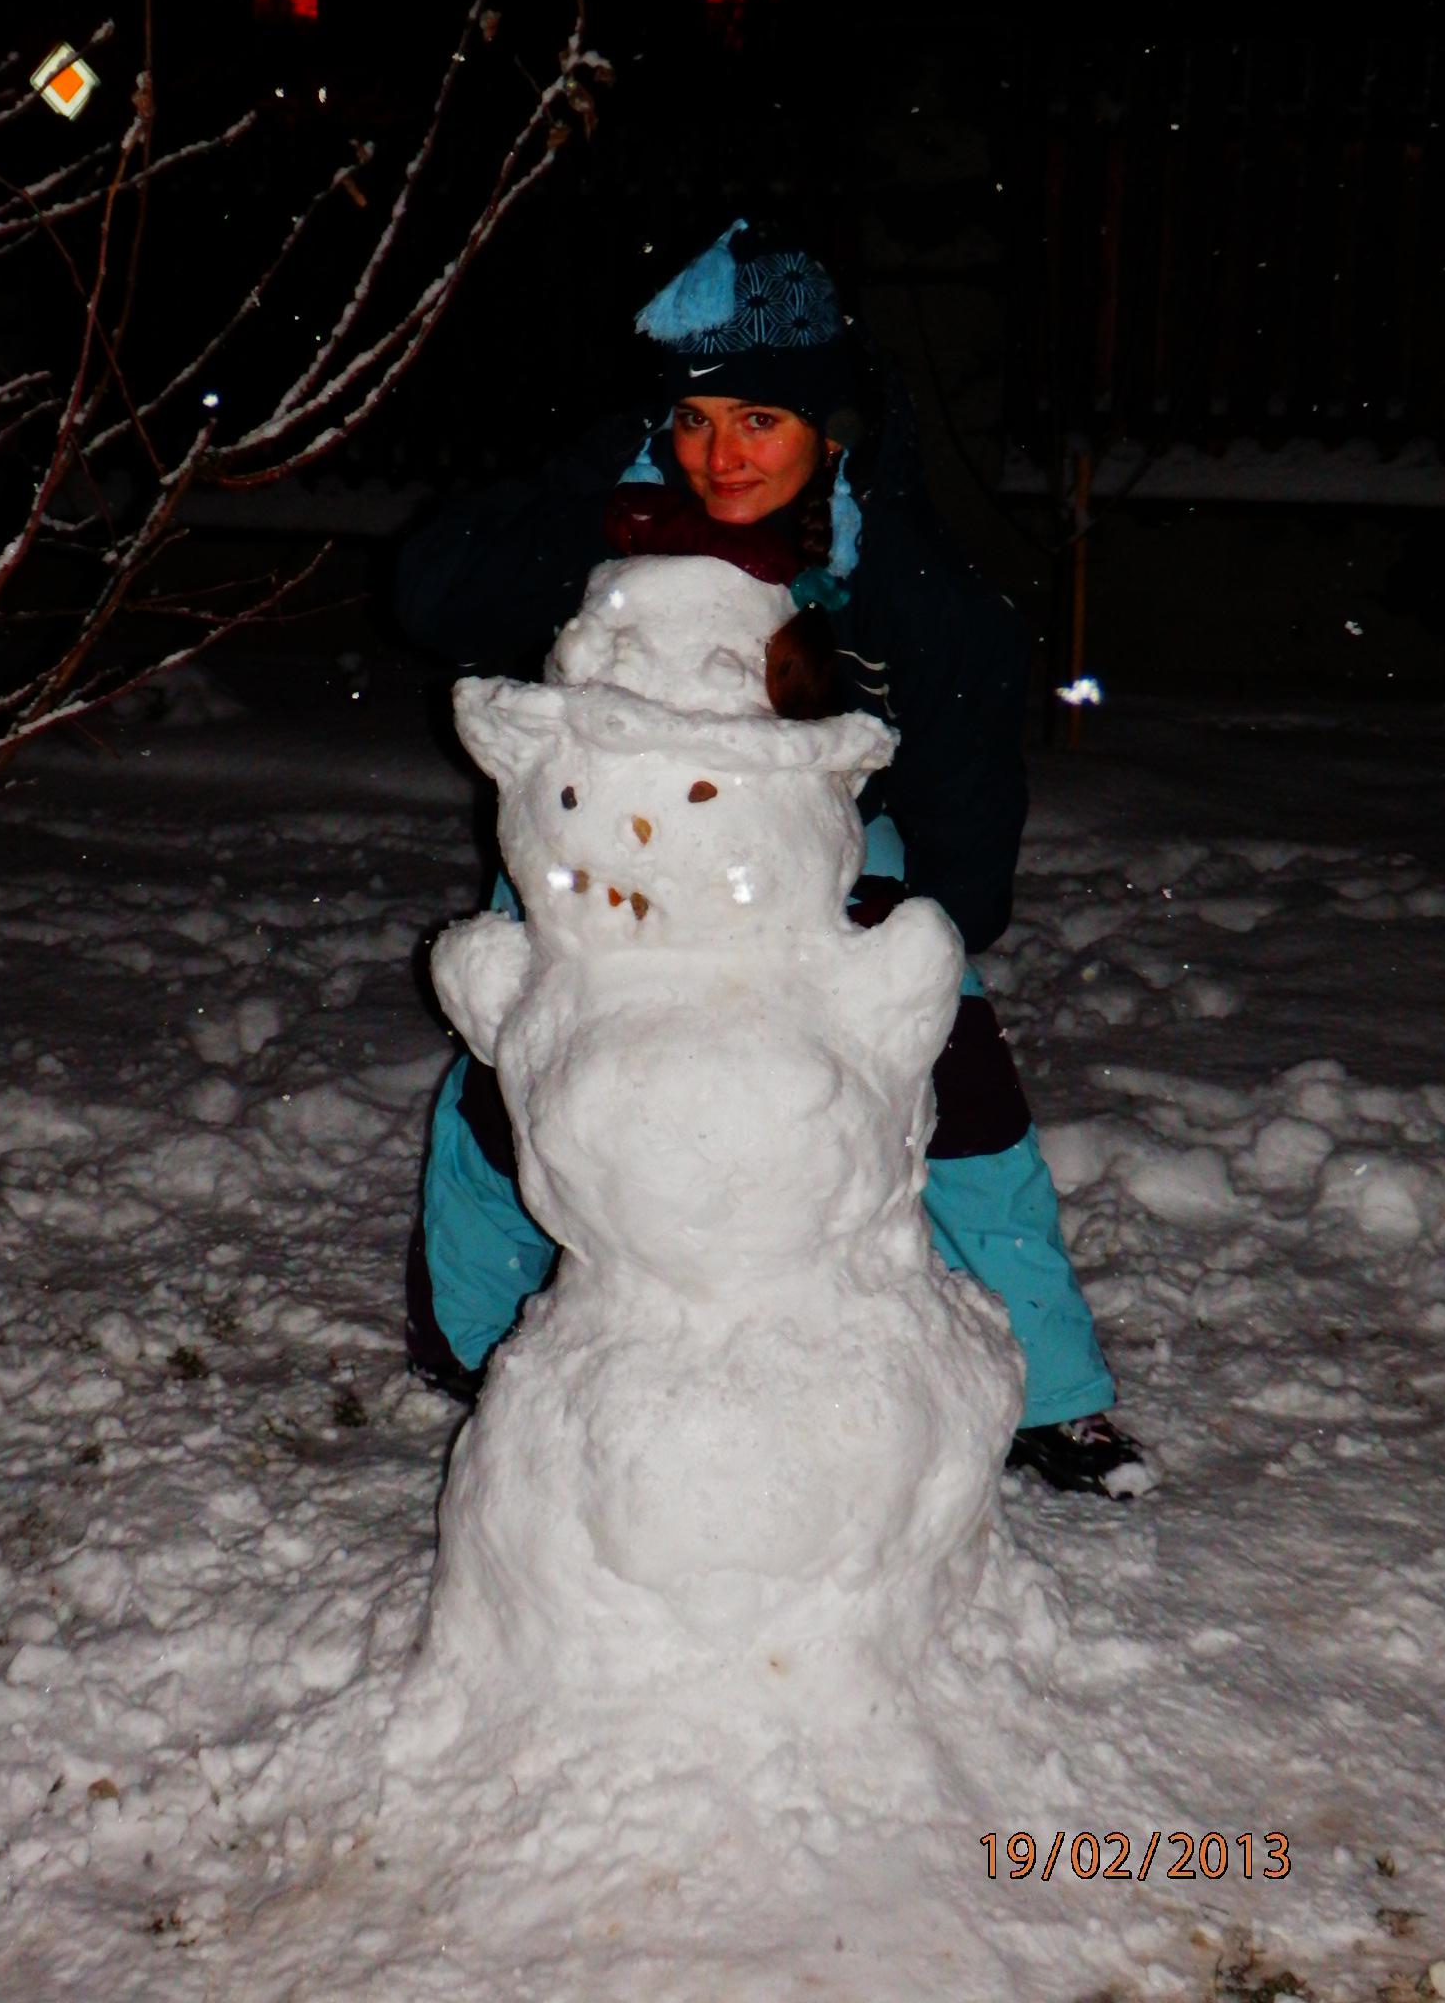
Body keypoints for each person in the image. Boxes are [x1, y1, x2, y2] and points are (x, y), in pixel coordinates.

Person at [393, 220, 1150, 1498]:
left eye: (759, 420)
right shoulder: (621, 517)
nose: (720, 455)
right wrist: (595, 478)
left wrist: (937, 927)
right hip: (606, 848)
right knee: (510, 1072)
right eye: (694, 419)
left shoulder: (882, 560)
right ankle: (468, 1336)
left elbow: (964, 741)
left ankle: (1057, 1391)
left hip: (810, 856)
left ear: (829, 427)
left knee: (963, 1093)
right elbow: (435, 596)